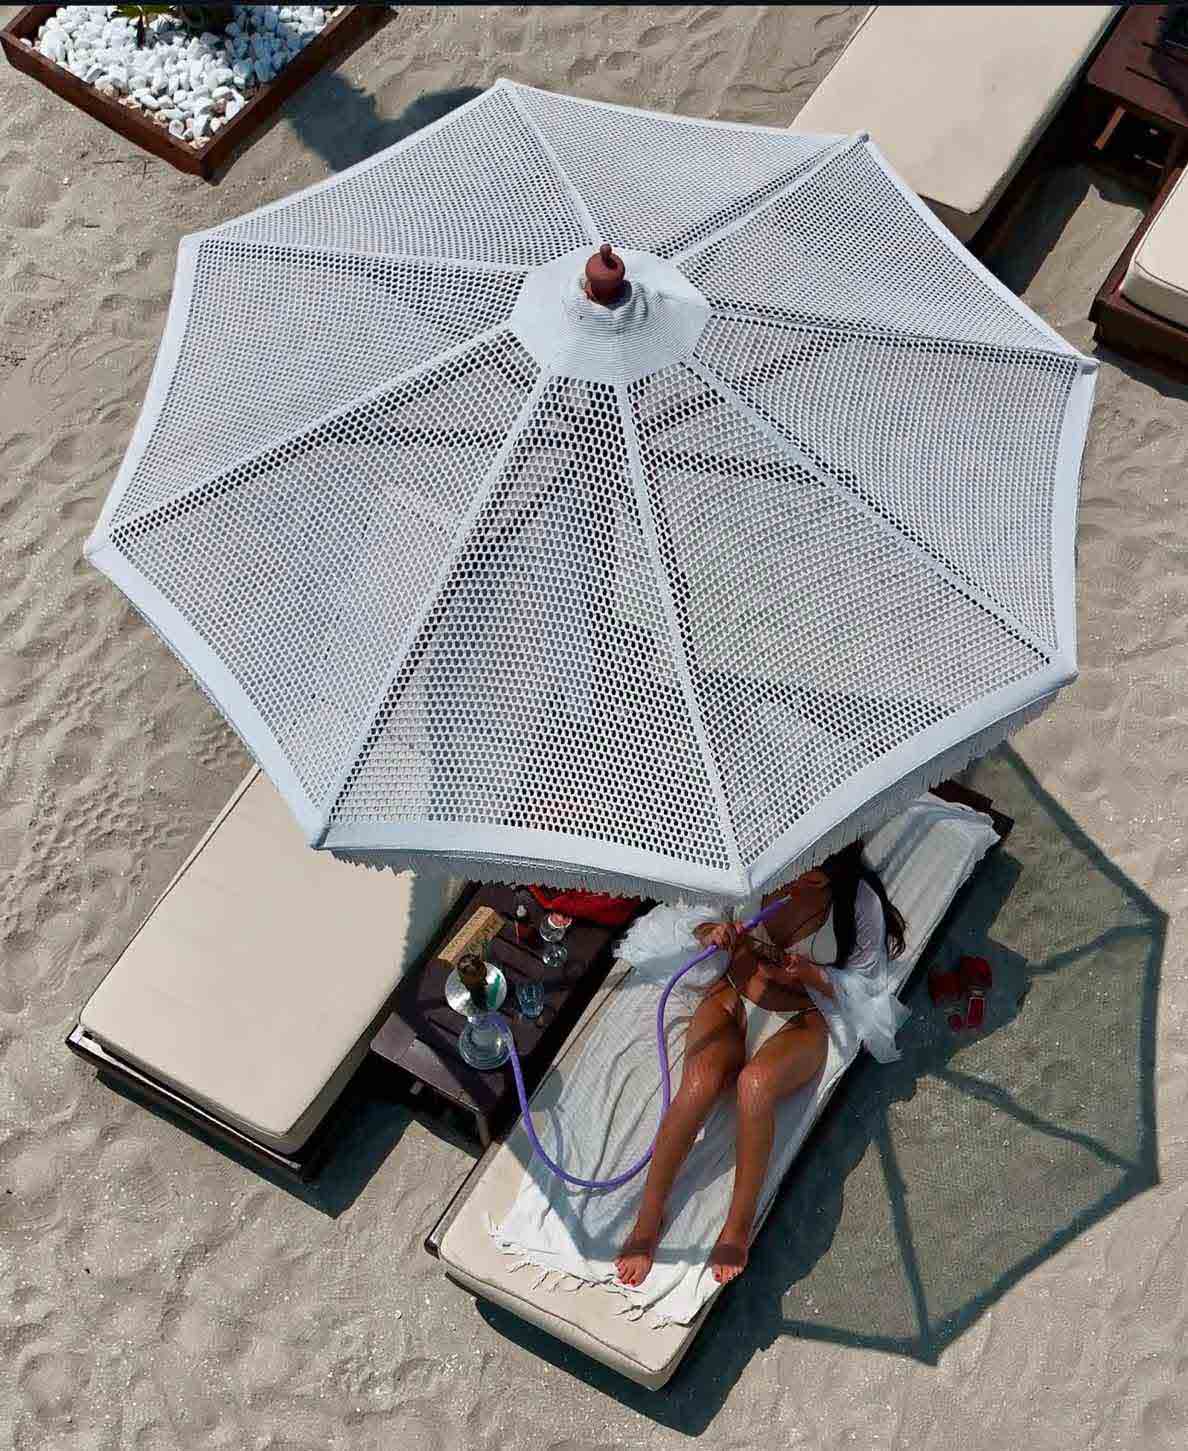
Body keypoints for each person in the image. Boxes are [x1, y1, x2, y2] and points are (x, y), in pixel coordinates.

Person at [615, 840, 907, 1289]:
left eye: (808, 875)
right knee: (700, 1082)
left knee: (755, 1086)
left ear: (827, 875)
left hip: (801, 1017)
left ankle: (738, 1224)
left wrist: (813, 975)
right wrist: (710, 929)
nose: (794, 877)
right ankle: (649, 1216)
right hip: (732, 994)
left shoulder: (858, 904)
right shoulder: (755, 862)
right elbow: (694, 908)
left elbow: (869, 987)